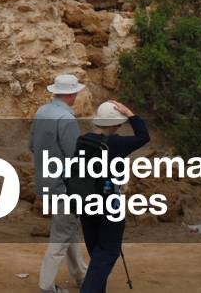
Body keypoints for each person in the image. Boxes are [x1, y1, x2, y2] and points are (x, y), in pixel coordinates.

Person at [74, 100, 149, 293]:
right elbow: (143, 136)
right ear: (116, 124)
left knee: (97, 254)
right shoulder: (116, 143)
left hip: (85, 204)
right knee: (107, 252)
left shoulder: (83, 140)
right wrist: (131, 114)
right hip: (109, 206)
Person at [29, 73, 89, 293]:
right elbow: (75, 158)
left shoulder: (41, 112)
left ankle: (82, 275)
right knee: (61, 237)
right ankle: (46, 286)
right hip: (66, 187)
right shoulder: (67, 120)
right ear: (72, 95)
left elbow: (32, 146)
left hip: (46, 183)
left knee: (68, 229)